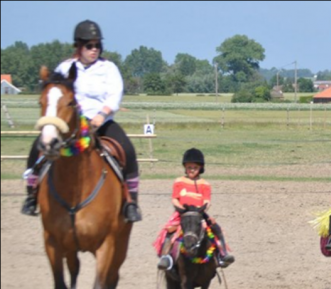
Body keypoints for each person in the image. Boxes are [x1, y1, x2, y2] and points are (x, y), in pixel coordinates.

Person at [21, 19, 142, 222]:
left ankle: (131, 202)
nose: (94, 50)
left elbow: (115, 95)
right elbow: (55, 92)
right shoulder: (65, 67)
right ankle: (31, 196)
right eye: (89, 45)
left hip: (100, 123)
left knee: (127, 150)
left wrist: (101, 115)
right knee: (37, 148)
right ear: (78, 46)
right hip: (70, 124)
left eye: (97, 45)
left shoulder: (108, 68)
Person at [156, 148, 235, 270]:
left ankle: (222, 255)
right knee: (169, 231)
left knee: (216, 228)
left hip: (199, 214)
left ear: (200, 168)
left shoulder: (205, 184)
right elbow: (174, 199)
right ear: (185, 167)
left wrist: (200, 210)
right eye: (189, 167)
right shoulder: (179, 181)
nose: (191, 170)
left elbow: (207, 201)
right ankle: (166, 257)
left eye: (195, 167)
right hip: (182, 213)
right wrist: (182, 210)